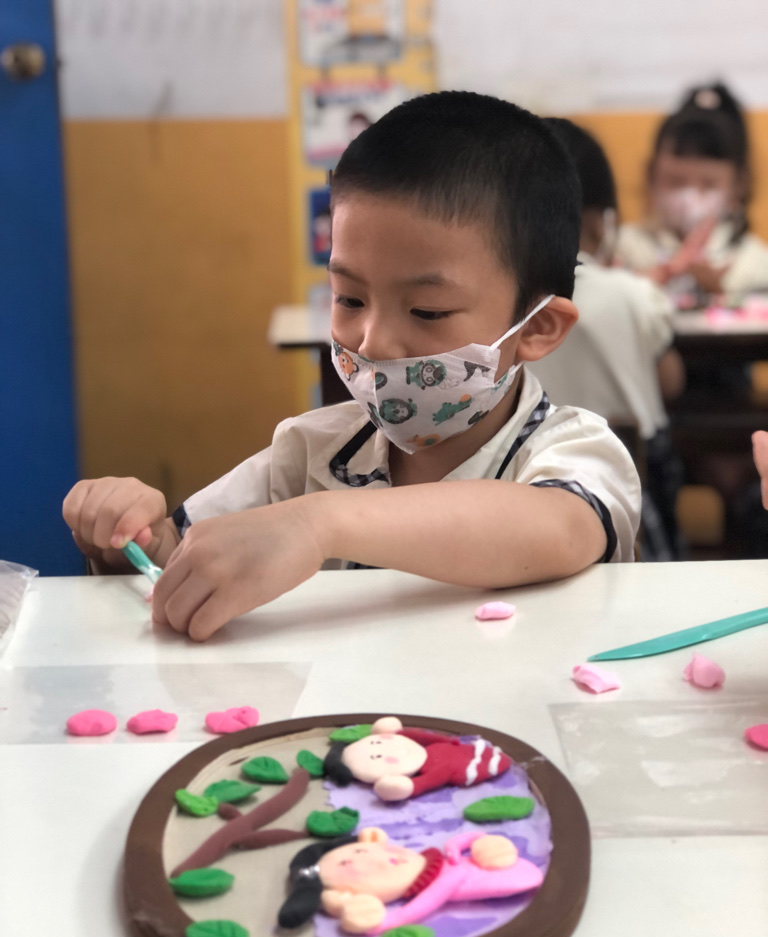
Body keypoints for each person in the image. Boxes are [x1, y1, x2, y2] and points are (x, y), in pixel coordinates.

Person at [62, 92, 640, 641]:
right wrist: (134, 542)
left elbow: (558, 526)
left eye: (427, 310)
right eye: (350, 299)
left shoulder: (574, 451)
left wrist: (318, 525)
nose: (373, 340)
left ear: (537, 327)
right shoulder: (307, 455)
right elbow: (183, 565)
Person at [534, 118, 685, 559]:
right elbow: (671, 381)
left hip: (523, 478)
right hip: (631, 483)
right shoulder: (633, 293)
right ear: (602, 220)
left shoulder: (496, 297)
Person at [616, 82, 768, 300]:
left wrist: (720, 295)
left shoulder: (756, 263)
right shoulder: (621, 248)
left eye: (709, 184)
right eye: (675, 181)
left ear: (738, 186)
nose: (690, 197)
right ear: (651, 176)